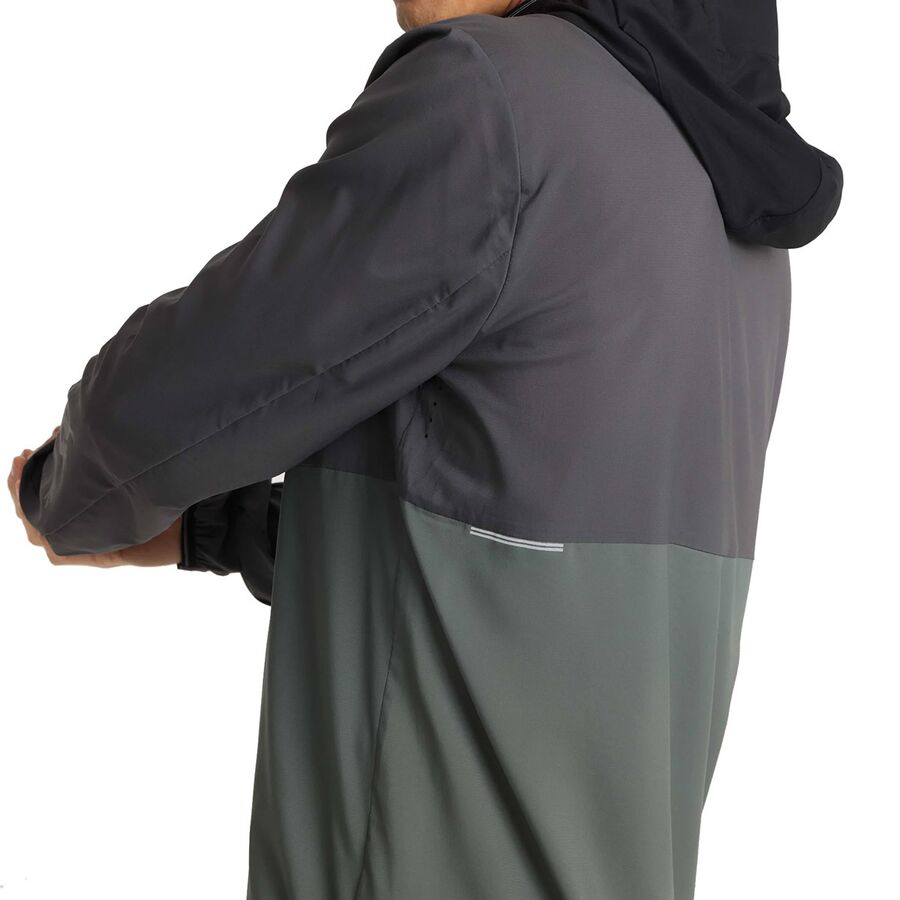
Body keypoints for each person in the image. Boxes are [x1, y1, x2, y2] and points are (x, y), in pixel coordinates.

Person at [9, 0, 841, 897]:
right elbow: (508, 569)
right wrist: (216, 531)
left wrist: (69, 490)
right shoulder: (727, 208)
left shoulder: (496, 105)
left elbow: (203, 371)